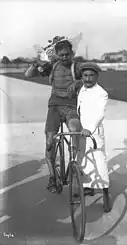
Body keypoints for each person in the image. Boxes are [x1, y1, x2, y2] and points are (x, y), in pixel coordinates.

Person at [25, 39, 82, 193]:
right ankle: (52, 177)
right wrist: (36, 63)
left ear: (72, 54)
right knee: (50, 141)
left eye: (67, 55)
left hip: (70, 107)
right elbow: (28, 75)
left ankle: (74, 165)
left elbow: (89, 79)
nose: (64, 57)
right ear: (56, 55)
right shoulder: (52, 66)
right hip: (55, 107)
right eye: (61, 55)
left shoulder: (76, 67)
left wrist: (78, 84)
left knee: (75, 129)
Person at [77, 62, 111, 213]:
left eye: (91, 75)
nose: (88, 78)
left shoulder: (101, 93)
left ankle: (106, 194)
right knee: (84, 160)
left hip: (94, 132)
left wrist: (89, 129)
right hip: (82, 131)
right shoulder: (82, 90)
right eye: (85, 75)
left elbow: (99, 114)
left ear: (97, 76)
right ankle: (88, 187)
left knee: (99, 163)